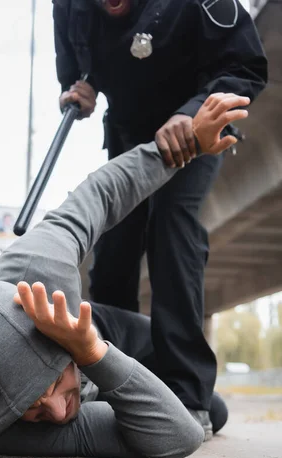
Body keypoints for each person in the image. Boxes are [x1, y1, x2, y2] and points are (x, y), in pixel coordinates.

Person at [0, 93, 249, 458]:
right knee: (213, 414)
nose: (59, 414)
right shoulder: (2, 430)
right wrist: (90, 354)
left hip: (100, 326)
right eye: (33, 406)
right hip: (90, 350)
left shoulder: (40, 262)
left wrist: (184, 147)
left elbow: (102, 194)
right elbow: (178, 434)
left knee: (198, 392)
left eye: (55, 381)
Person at [53, 0, 267, 428]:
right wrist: (80, 90)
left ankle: (189, 395)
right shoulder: (69, 5)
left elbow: (246, 66)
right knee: (112, 248)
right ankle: (113, 378)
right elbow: (77, 68)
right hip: (128, 133)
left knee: (172, 227)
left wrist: (190, 115)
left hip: (197, 130)